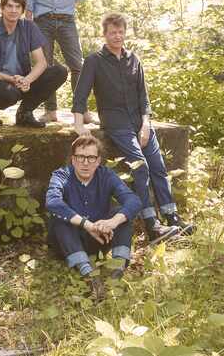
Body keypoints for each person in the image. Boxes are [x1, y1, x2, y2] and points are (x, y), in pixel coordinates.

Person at [72, 13, 194, 242]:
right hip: (116, 123)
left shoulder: (134, 59)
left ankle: (172, 218)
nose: (117, 36)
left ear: (125, 33)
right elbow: (80, 96)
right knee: (140, 167)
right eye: (112, 32)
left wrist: (146, 124)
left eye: (120, 32)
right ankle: (152, 225)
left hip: (140, 123)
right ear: (105, 34)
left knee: (158, 167)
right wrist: (79, 126)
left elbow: (143, 97)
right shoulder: (94, 61)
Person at [45, 136, 140, 292]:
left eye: (91, 157)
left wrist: (112, 222)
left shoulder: (106, 175)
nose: (85, 162)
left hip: (100, 239)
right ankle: (89, 276)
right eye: (80, 157)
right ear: (73, 159)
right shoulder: (62, 175)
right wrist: (87, 225)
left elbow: (133, 200)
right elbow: (52, 202)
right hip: (68, 242)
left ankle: (117, 271)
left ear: (98, 160)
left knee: (120, 214)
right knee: (61, 218)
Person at [23, 0, 95, 125]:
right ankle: (50, 110)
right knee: (44, 66)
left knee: (78, 65)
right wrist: (28, 15)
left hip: (66, 20)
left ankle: (81, 111)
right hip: (41, 20)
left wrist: (65, 5)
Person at [0, 0, 67, 128]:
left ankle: (24, 113)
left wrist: (26, 80)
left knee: (59, 71)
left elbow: (41, 62)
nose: (13, 10)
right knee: (10, 93)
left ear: (22, 10)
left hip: (20, 80)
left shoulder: (29, 27)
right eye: (9, 6)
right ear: (2, 8)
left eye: (18, 7)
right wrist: (10, 79)